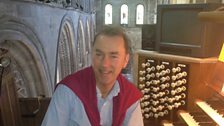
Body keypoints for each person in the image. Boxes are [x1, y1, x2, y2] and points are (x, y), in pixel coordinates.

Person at [41, 25, 144, 126]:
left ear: (125, 60)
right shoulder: (67, 91)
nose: (105, 64)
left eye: (113, 56)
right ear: (91, 55)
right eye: (99, 55)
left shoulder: (130, 96)